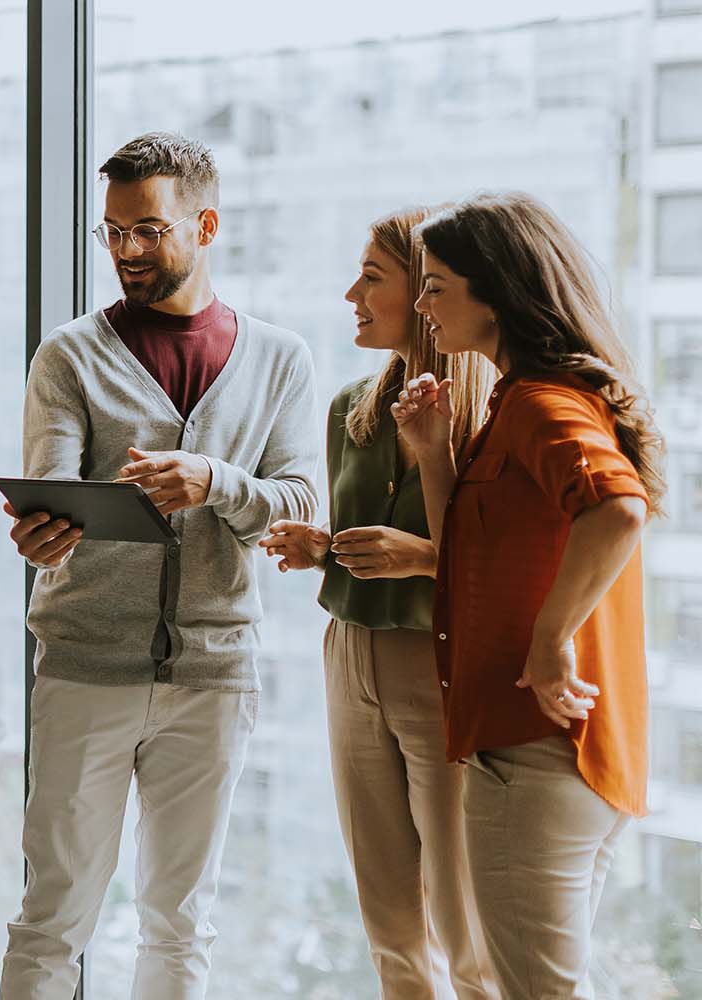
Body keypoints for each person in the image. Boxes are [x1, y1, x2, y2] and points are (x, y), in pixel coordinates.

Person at [0, 131, 318, 1000]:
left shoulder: (280, 358)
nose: (126, 252)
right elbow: (53, 490)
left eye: (147, 230)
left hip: (215, 674)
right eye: (111, 232)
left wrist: (215, 482)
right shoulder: (70, 354)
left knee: (181, 920)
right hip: (83, 666)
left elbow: (301, 501)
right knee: (52, 915)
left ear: (205, 223)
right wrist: (45, 532)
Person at [392, 192, 660, 998]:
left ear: (496, 292)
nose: (421, 305)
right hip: (554, 756)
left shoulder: (541, 402)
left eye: (436, 286)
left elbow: (618, 510)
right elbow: (466, 562)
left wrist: (550, 642)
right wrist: (435, 457)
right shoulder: (517, 401)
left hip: (535, 752)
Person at [260, 207, 498, 997]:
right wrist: (321, 546)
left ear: (425, 292)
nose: (351, 294)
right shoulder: (350, 410)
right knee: (388, 916)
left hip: (436, 668)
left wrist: (421, 557)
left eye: (372, 277)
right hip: (348, 656)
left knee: (465, 919)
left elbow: (494, 562)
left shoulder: (489, 411)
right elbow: (372, 537)